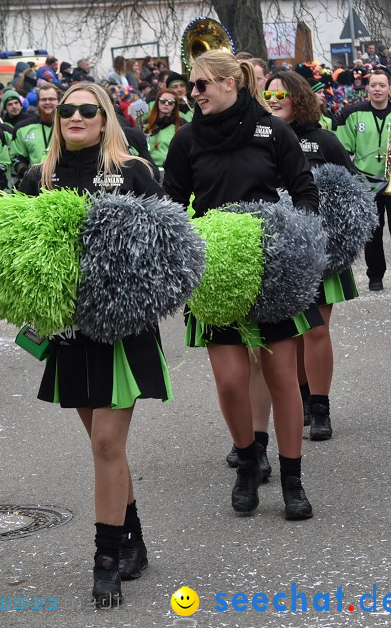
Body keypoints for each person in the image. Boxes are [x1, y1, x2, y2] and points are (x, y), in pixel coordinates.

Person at [17, 82, 167, 608]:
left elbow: (166, 247)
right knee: (106, 446)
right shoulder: (37, 178)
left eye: (88, 109)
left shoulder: (134, 173)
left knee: (106, 444)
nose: (75, 116)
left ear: (105, 119)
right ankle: (133, 535)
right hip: (67, 331)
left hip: (122, 330)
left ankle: (105, 561)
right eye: (66, 110)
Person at [163, 50, 319, 521]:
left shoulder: (273, 130)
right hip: (217, 275)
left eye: (202, 85)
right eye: (193, 86)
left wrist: (295, 241)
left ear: (231, 84)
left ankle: (293, 479)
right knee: (231, 381)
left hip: (273, 270)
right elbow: (171, 205)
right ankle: (248, 461)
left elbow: (305, 191)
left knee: (281, 377)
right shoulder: (187, 139)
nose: (194, 93)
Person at [266, 71, 360, 442]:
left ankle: (321, 409)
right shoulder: (262, 139)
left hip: (321, 251)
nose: (273, 100)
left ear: (298, 97)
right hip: (281, 253)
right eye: (267, 94)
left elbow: (352, 191)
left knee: (316, 330)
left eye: (281, 94)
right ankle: (303, 400)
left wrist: (339, 236)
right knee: (291, 334)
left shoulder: (325, 140)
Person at [335, 68, 391, 291]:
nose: (377, 89)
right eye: (373, 85)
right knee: (372, 231)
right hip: (366, 183)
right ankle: (375, 276)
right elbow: (342, 148)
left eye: (382, 85)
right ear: (367, 88)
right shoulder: (352, 113)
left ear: (390, 89)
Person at [12, 83, 61, 180]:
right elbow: (17, 158)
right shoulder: (22, 128)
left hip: (64, 184)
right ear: (38, 102)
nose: (47, 102)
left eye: (51, 99)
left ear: (59, 101)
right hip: (35, 185)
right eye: (43, 99)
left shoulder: (69, 126)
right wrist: (27, 175)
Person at [143, 87, 184, 167]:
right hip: (149, 169)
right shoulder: (146, 124)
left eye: (170, 102)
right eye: (162, 101)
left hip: (171, 170)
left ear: (175, 105)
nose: (166, 104)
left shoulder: (181, 126)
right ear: (157, 102)